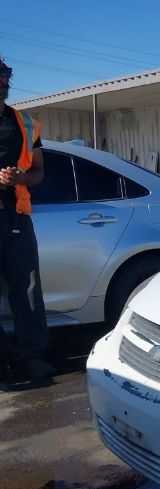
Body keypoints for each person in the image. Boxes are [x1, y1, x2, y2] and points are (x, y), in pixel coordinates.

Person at [0, 57, 54, 379]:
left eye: (5, 74)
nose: (2, 80)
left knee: (28, 290)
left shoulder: (25, 123)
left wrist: (21, 177)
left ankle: (29, 356)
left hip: (15, 218)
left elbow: (39, 171)